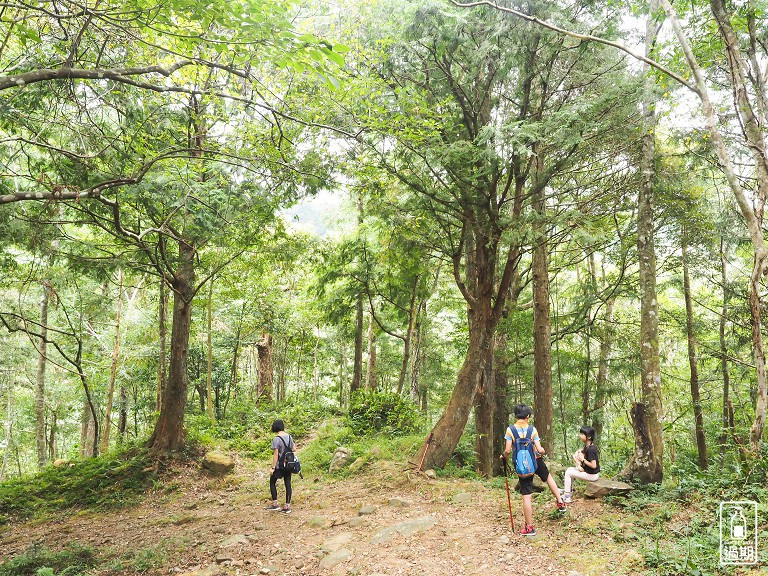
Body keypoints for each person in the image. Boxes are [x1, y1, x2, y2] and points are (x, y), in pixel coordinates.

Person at [503, 404, 567, 537]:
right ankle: (561, 502)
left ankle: (530, 527)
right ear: (527, 416)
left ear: (516, 415)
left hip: (522, 466)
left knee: (527, 495)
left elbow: (508, 451)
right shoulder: (532, 430)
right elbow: (539, 448)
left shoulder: (510, 430)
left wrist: (503, 456)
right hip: (535, 460)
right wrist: (542, 451)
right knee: (548, 477)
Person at [562, 425, 600, 503]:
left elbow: (594, 465)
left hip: (592, 475)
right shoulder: (588, 446)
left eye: (582, 434)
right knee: (569, 469)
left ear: (588, 437)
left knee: (568, 473)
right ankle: (569, 490)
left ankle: (567, 497)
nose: (580, 436)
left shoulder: (591, 450)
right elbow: (583, 450)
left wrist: (583, 460)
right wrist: (579, 453)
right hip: (589, 473)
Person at [266, 419, 294, 514]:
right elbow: (294, 449)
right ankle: (287, 506)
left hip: (279, 466)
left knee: (272, 482)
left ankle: (275, 504)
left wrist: (273, 467)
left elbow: (275, 455)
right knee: (288, 484)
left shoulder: (276, 439)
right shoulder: (289, 437)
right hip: (288, 465)